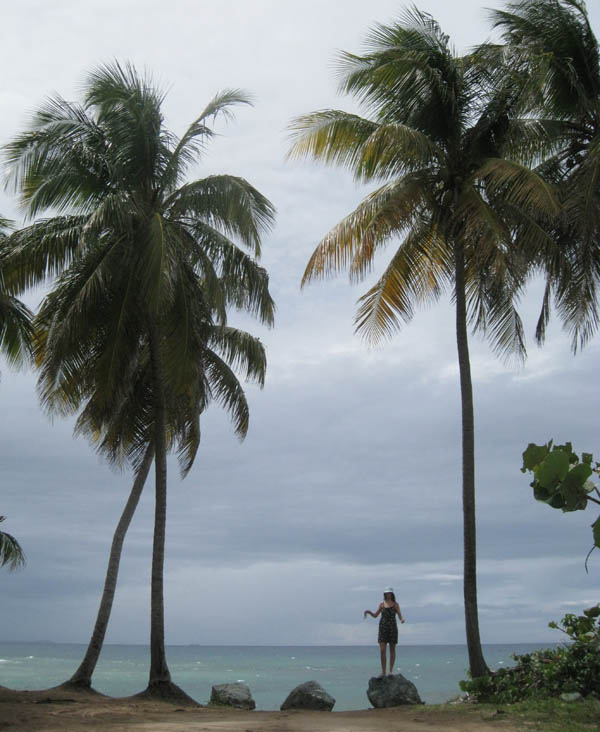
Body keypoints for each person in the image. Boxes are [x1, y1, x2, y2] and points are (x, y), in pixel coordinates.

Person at [363, 586, 405, 677]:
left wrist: (402, 620)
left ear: (392, 594)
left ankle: (390, 671)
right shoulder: (381, 604)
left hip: (392, 628)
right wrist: (369, 612)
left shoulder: (395, 604)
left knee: (392, 650)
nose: (388, 594)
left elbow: (400, 616)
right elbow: (375, 615)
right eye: (386, 593)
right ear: (385, 594)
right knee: (382, 651)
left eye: (389, 593)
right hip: (383, 628)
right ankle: (383, 671)